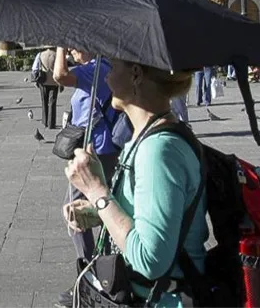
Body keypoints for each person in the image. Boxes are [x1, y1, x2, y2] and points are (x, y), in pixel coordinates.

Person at [65, 59, 207, 308]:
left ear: (136, 74)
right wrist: (97, 212)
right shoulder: (146, 136)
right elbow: (147, 213)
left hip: (164, 299)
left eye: (114, 67)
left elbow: (150, 260)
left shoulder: (158, 151)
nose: (107, 77)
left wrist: (96, 191)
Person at [53, 47, 121, 308]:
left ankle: (91, 273)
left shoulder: (95, 69)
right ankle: (103, 269)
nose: (71, 49)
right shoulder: (103, 67)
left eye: (75, 45)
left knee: (73, 212)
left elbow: (59, 75)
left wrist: (58, 44)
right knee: (99, 209)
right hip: (104, 149)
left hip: (94, 152)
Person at [32, 47, 61, 128]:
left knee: (44, 102)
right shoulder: (57, 55)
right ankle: (51, 123)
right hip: (54, 81)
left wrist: (36, 80)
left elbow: (35, 68)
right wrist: (61, 84)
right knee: (52, 103)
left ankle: (45, 121)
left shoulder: (40, 54)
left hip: (43, 81)